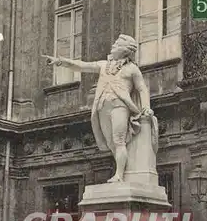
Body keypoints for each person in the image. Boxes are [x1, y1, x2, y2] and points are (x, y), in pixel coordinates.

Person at [45, 34, 156, 183]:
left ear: (125, 50)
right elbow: (82, 66)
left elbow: (142, 88)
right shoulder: (104, 65)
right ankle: (124, 170)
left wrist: (146, 107)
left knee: (119, 141)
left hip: (119, 106)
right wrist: (61, 61)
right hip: (102, 107)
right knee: (110, 143)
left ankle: (119, 175)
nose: (113, 46)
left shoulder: (132, 69)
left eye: (116, 45)